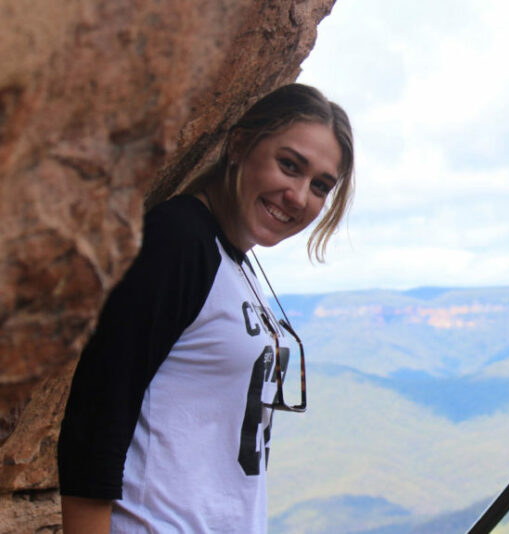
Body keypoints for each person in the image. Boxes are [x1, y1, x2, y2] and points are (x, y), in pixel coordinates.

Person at [57, 83, 354, 533]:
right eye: (289, 165)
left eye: (320, 186)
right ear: (238, 144)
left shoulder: (235, 261)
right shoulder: (176, 242)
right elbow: (96, 419)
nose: (298, 196)